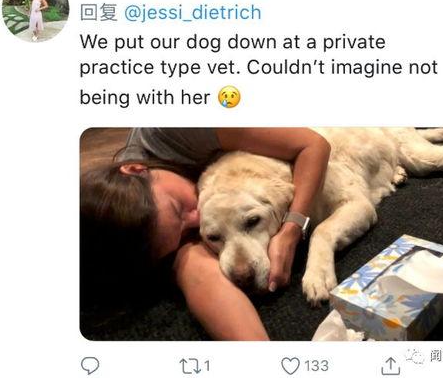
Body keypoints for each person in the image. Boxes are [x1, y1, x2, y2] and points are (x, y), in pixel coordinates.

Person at [80, 128, 330, 340]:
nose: (196, 219)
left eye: (178, 208)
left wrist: (291, 230)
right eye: (183, 233)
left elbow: (312, 145)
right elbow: (197, 271)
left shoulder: (176, 129)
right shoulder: (152, 231)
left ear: (136, 169)